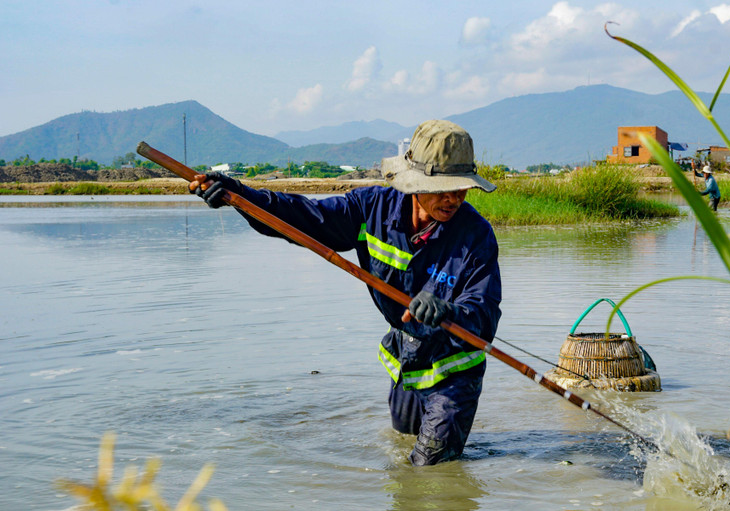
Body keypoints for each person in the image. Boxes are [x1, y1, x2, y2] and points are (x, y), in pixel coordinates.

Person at [189, 120, 502, 466]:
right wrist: (239, 196)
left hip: (454, 369)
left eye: (461, 188)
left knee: (429, 469)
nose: (453, 198)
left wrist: (449, 312)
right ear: (416, 183)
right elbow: (303, 217)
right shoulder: (372, 210)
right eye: (444, 188)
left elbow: (485, 313)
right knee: (402, 448)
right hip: (408, 360)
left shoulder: (476, 236)